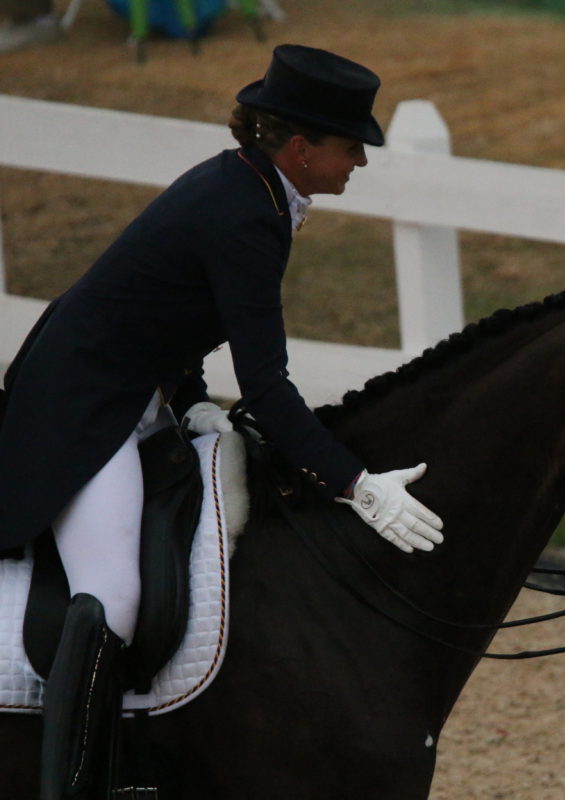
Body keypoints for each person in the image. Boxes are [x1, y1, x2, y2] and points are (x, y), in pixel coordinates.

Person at [0, 44, 444, 799]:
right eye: (349, 147)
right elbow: (267, 386)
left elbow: (165, 301)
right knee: (113, 593)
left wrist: (193, 390)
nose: (359, 163)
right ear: (300, 149)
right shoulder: (246, 213)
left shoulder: (251, 191)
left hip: (139, 385)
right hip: (82, 405)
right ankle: (71, 783)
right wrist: (356, 486)